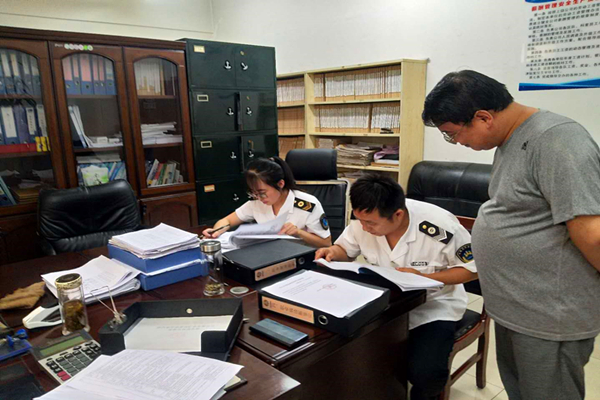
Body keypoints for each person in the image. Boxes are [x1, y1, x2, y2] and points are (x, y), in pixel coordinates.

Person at [422, 70, 600, 400]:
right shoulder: (509, 139)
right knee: (521, 390)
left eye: (452, 134)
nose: (456, 142)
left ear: (483, 117)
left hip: (549, 315)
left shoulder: (559, 140)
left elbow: (593, 234)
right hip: (515, 306)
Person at [315, 174, 477, 400]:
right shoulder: (364, 218)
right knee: (348, 353)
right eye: (360, 221)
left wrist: (425, 277)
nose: (364, 228)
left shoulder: (440, 227)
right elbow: (345, 249)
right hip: (385, 303)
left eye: (371, 223)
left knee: (425, 372)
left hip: (433, 305)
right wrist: (332, 252)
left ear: (398, 214)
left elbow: (472, 270)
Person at [202, 156, 332, 248]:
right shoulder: (256, 203)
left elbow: (326, 243)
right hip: (268, 255)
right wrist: (216, 231)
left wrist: (299, 232)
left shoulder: (307, 204)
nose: (259, 197)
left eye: (262, 192)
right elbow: (227, 221)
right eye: (254, 193)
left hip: (300, 258)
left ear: (280, 184)